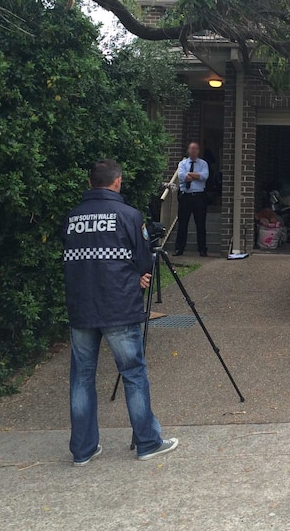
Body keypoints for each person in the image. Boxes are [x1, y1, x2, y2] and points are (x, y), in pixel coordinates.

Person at [61, 159, 178, 466]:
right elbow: (143, 261)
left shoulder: (72, 218)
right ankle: (147, 442)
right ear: (117, 182)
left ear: (90, 184)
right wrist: (135, 276)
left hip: (81, 306)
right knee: (134, 374)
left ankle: (83, 450)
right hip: (119, 306)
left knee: (82, 378)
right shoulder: (128, 216)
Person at [175, 142, 209, 256]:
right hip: (185, 196)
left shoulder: (203, 164)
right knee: (182, 223)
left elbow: (204, 176)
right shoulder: (182, 163)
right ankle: (179, 249)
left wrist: (190, 174)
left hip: (199, 196)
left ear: (198, 151)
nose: (194, 151)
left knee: (200, 224)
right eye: (192, 149)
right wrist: (196, 175)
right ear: (188, 151)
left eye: (196, 149)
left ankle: (202, 249)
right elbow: (182, 176)